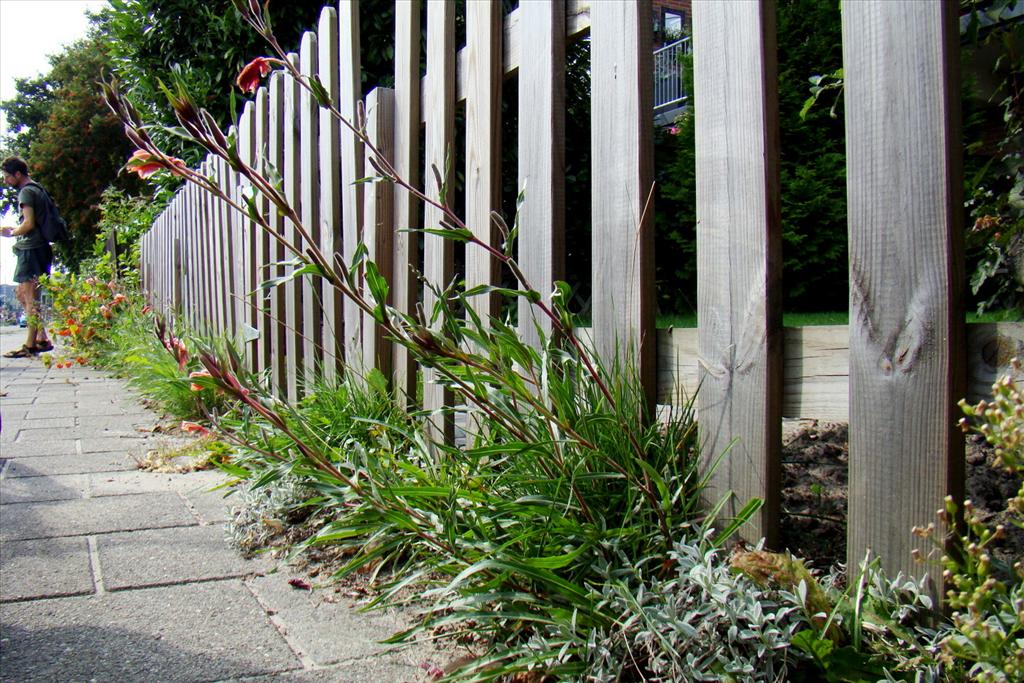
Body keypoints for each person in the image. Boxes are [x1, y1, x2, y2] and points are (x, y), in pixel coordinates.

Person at [1, 156, 54, 358]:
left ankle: (30, 344)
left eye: (7, 176)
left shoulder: (26, 192)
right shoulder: (37, 189)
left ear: (17, 174)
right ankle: (41, 337)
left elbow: (29, 224)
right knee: (23, 294)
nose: (5, 181)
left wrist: (10, 232)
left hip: (31, 248)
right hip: (39, 248)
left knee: (30, 297)